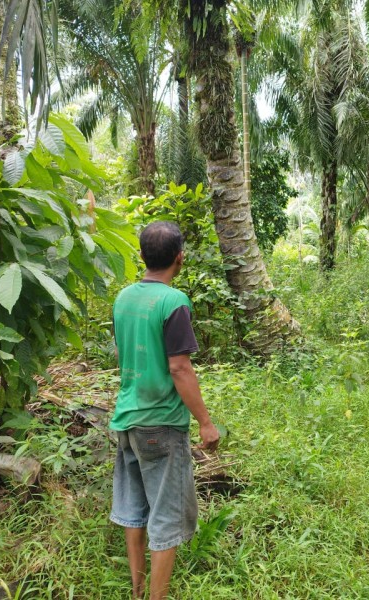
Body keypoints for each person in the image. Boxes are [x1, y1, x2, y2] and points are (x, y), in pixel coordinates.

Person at [109, 221, 220, 600]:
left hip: (126, 420)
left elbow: (126, 356)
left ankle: (137, 590)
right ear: (180, 258)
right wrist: (206, 423)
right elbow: (179, 368)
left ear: (141, 256)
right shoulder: (174, 303)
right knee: (166, 516)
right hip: (161, 426)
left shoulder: (123, 298)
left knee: (133, 508)